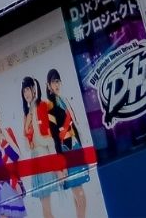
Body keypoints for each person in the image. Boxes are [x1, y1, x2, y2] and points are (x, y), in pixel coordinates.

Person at [43, 69, 90, 218]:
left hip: (75, 147)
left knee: (79, 196)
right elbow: (55, 138)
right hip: (66, 151)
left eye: (57, 81)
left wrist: (81, 149)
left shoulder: (64, 100)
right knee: (80, 196)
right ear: (48, 85)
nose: (56, 84)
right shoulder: (49, 107)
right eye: (53, 81)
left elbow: (74, 127)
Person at [20, 76, 59, 218]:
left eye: (28, 90)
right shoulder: (27, 113)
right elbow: (27, 145)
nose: (26, 94)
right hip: (35, 157)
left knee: (46, 204)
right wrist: (27, 122)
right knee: (44, 203)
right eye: (24, 92)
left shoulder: (42, 105)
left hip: (44, 155)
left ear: (34, 89)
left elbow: (49, 136)